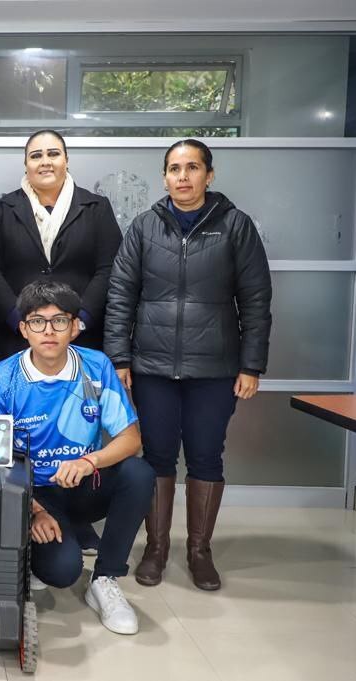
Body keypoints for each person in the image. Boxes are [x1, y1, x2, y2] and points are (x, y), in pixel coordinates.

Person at [104, 138, 272, 591]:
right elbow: (120, 296)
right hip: (152, 367)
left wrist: (251, 365)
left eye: (192, 167)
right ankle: (156, 549)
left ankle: (199, 551)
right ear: (164, 176)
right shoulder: (144, 227)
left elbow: (256, 300)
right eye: (175, 168)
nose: (183, 176)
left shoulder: (235, 226)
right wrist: (119, 358)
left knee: (205, 457)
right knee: (156, 456)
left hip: (214, 368)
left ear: (209, 175)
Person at [0, 129, 123, 555]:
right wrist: (20, 321)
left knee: (81, 429)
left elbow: (108, 267)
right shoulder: (4, 209)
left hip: (77, 338)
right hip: (14, 338)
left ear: (66, 159)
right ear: (25, 163)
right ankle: (27, 512)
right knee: (20, 434)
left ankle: (76, 517)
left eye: (53, 153)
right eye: (36, 154)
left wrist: (80, 320)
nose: (45, 161)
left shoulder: (95, 208)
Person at [0, 280, 152, 635]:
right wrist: (32, 511)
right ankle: (43, 545)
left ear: (75, 327)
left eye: (59, 321)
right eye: (38, 322)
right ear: (24, 329)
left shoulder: (96, 366)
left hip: (84, 482)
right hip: (37, 494)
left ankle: (105, 578)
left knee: (139, 474)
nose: (49, 331)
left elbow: (131, 438)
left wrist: (89, 462)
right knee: (62, 571)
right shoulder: (3, 379)